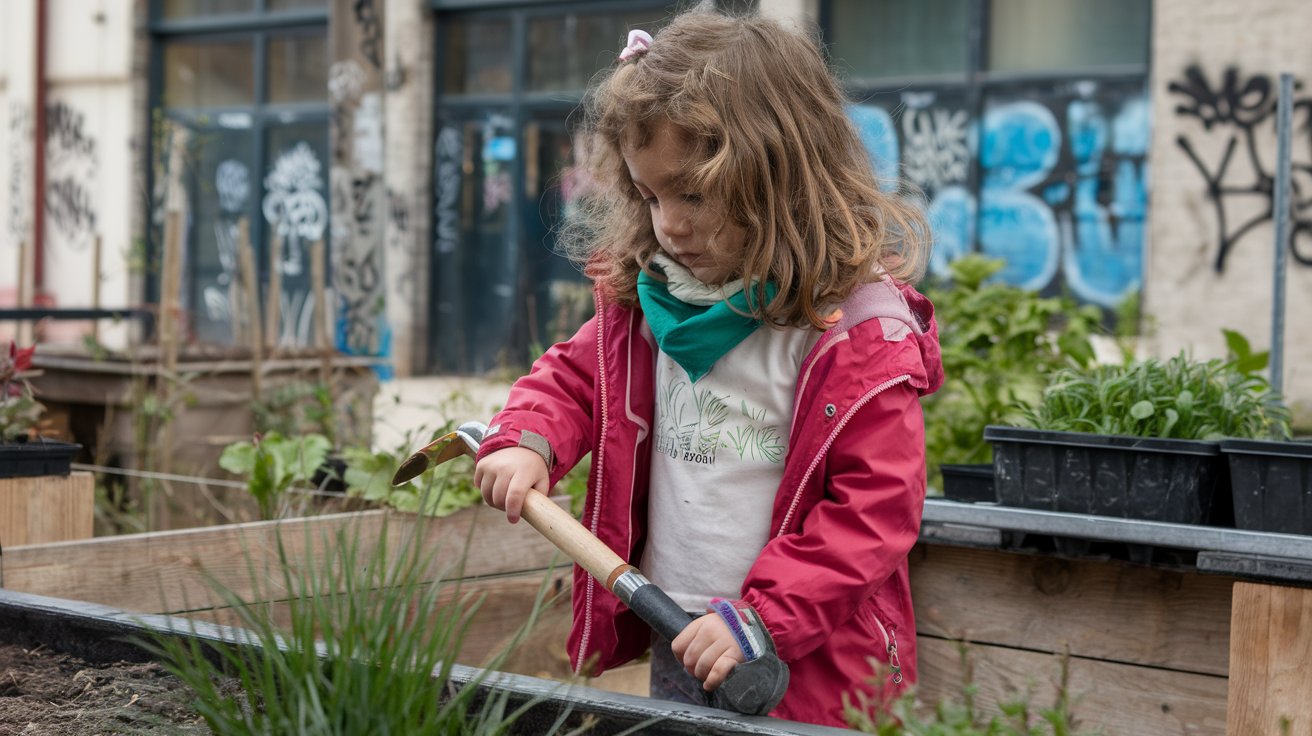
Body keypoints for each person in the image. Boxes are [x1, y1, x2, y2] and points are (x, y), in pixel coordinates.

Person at [473, 6, 943, 727]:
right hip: (680, 626)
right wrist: (529, 439)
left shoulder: (855, 332)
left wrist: (762, 619)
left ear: (780, 176)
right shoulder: (652, 302)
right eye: (651, 194)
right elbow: (572, 379)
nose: (670, 225)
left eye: (693, 193)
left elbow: (872, 510)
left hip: (800, 650)